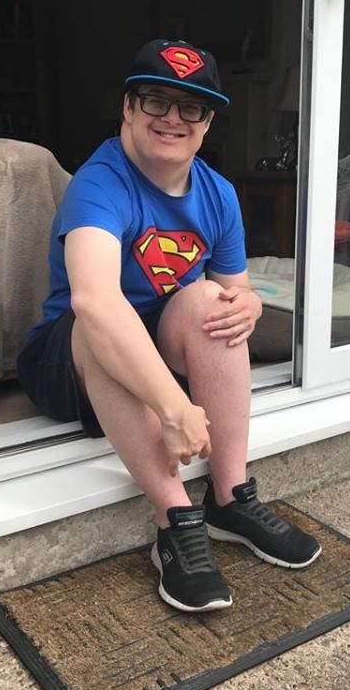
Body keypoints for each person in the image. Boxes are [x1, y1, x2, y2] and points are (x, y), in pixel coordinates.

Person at [17, 38, 321, 613]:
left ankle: (230, 497)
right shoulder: (99, 182)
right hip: (69, 360)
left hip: (154, 350)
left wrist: (250, 305)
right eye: (156, 101)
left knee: (212, 301)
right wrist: (175, 410)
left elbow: (236, 287)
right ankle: (175, 517)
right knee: (102, 320)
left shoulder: (218, 192)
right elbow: (94, 301)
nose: (173, 119)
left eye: (192, 107)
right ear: (128, 108)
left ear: (208, 123)